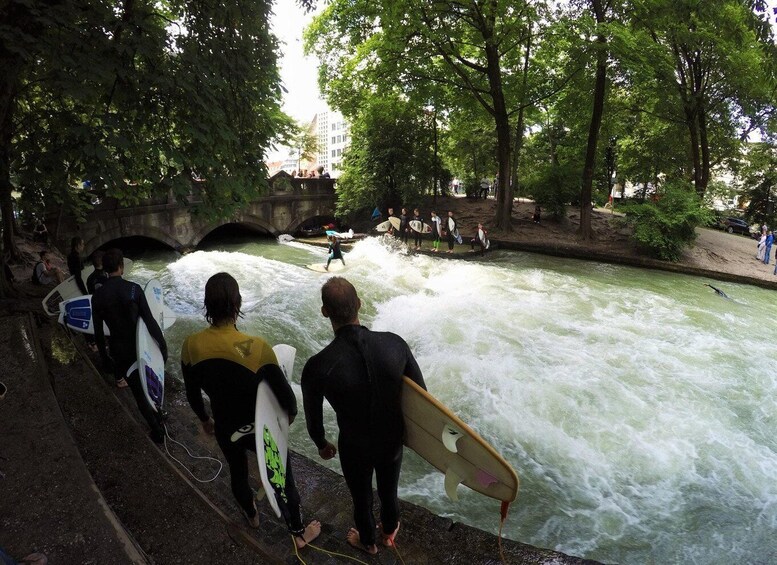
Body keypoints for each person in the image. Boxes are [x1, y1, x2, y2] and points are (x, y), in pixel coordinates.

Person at [181, 273, 321, 545]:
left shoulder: (191, 346)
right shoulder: (257, 349)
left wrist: (205, 419)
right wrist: (285, 422)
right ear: (238, 303)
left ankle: (252, 515)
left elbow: (192, 393)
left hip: (226, 426)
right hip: (260, 427)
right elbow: (288, 401)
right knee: (281, 476)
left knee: (237, 472)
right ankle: (299, 533)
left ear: (207, 305)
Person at [301, 277, 425, 554]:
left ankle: (368, 542)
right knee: (389, 491)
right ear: (359, 304)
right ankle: (389, 533)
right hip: (391, 439)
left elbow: (313, 419)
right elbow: (421, 398)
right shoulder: (395, 344)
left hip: (354, 445)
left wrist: (321, 444)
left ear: (325, 312)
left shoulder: (317, 366)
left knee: (361, 497)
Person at [92, 248, 167, 443]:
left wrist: (104, 358)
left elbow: (99, 332)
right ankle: (159, 417)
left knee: (137, 391)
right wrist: (162, 346)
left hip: (120, 351)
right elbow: (149, 322)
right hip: (141, 346)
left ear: (106, 269)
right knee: (151, 381)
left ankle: (156, 430)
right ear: (121, 267)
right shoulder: (134, 289)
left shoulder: (98, 296)